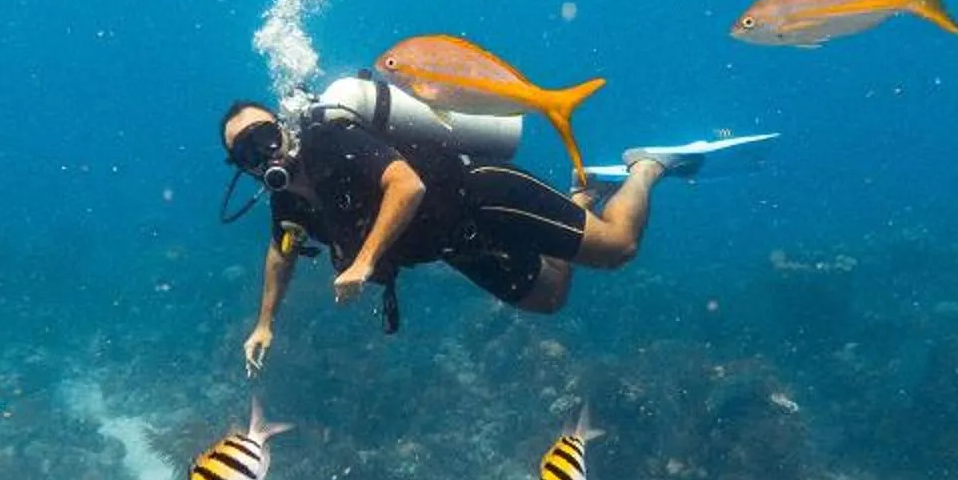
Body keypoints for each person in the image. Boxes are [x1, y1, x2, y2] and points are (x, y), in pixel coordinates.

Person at [221, 83, 682, 372]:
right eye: (247, 152)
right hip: (455, 244)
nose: (265, 154)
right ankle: (578, 200)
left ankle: (645, 167)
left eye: (266, 137)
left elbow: (406, 186)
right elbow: (281, 251)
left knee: (618, 248)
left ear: (284, 128)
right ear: (241, 167)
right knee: (550, 298)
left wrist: (363, 263)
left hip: (484, 195)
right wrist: (265, 325)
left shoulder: (328, 142)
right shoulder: (287, 200)